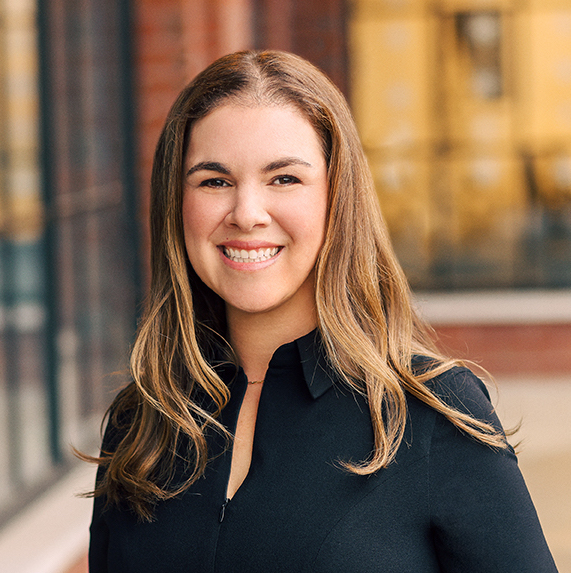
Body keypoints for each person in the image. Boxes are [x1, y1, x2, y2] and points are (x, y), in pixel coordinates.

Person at [87, 50, 558, 572]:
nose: (246, 213)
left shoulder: (426, 413)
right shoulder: (144, 419)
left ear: (338, 197)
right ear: (177, 202)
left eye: (284, 179)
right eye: (214, 181)